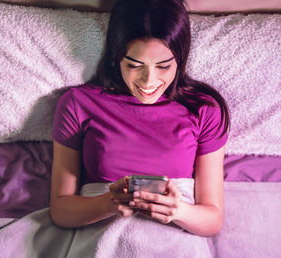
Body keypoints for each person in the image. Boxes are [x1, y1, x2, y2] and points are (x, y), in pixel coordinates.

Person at [50, 0, 230, 237]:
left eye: (163, 67)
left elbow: (212, 219)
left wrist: (178, 211)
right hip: (101, 236)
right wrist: (109, 203)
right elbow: (61, 210)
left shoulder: (205, 109)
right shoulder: (78, 104)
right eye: (135, 65)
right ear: (117, 57)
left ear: (181, 59)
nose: (148, 82)